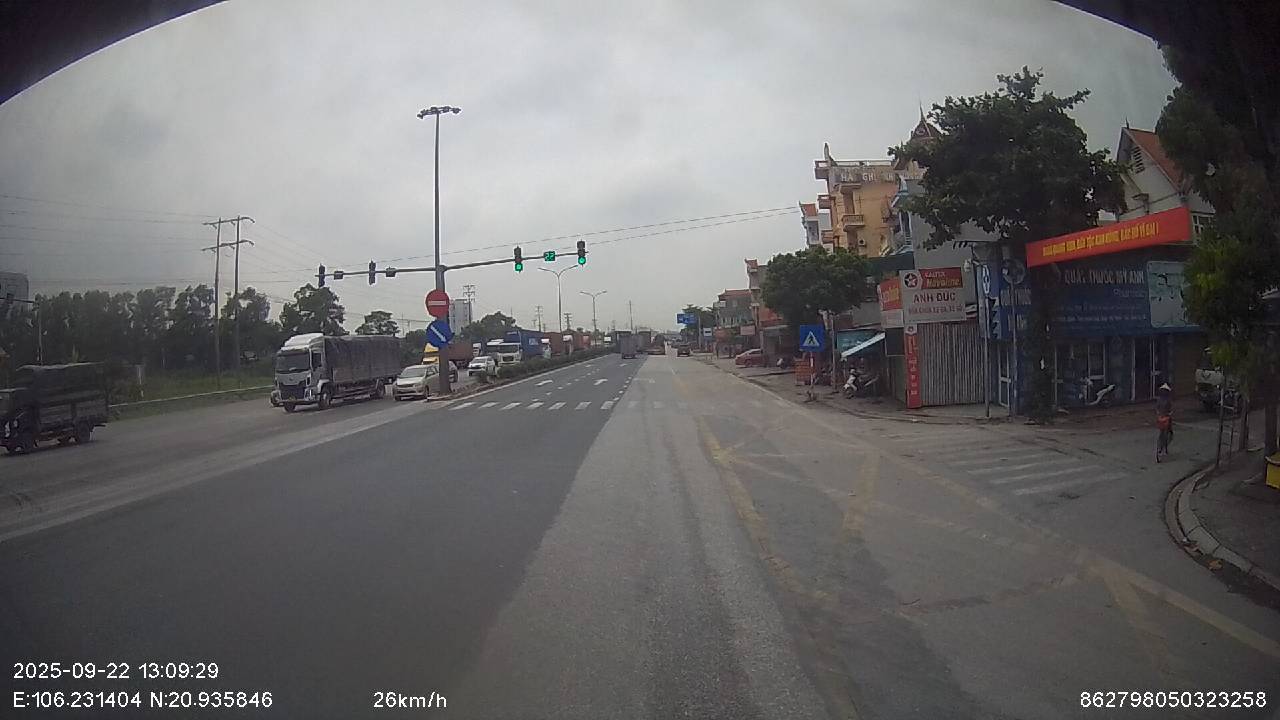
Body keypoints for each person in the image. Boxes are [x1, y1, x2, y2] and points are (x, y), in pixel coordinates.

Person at [1155, 382, 1174, 462]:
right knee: (1169, 433)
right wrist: (1169, 414)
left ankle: (1161, 447)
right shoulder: (1168, 400)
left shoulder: (1159, 400)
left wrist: (1159, 414)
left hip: (1160, 418)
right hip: (1166, 418)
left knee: (1161, 432)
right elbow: (1170, 410)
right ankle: (1164, 447)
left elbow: (1157, 409)